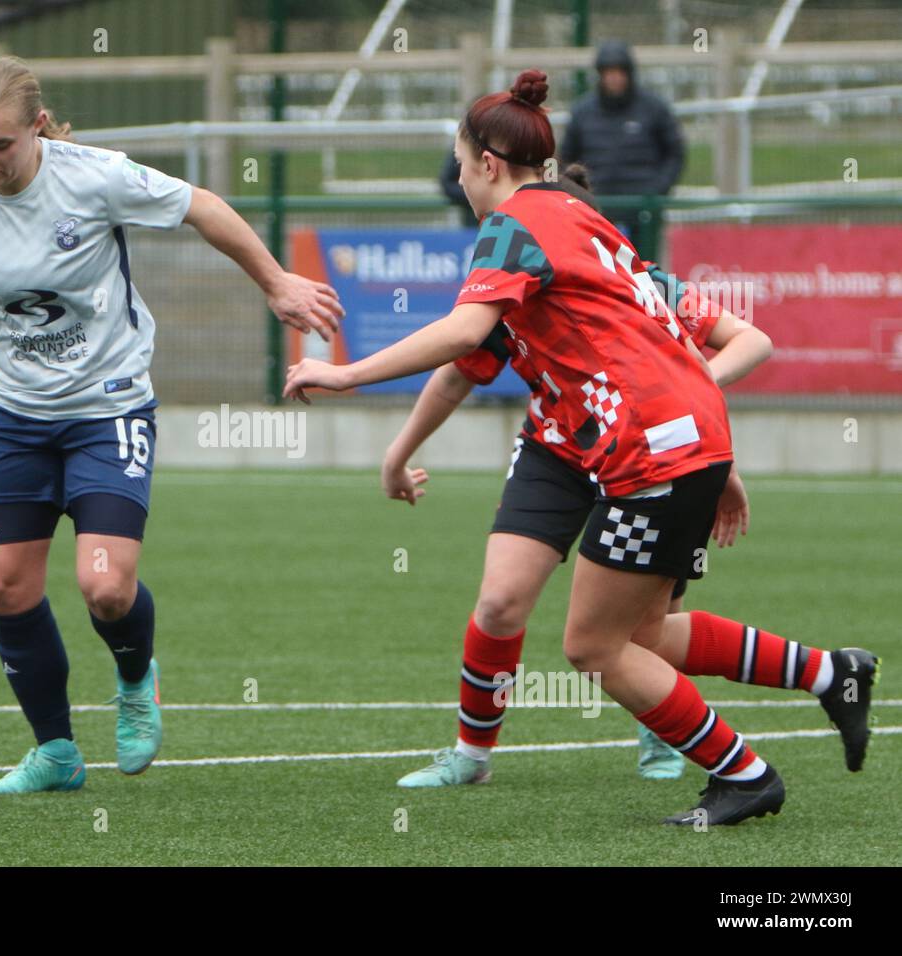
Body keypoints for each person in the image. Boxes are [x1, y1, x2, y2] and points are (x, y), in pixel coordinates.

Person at [285, 70, 877, 825]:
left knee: (595, 646)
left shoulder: (514, 228)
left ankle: (742, 771)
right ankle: (830, 675)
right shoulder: (582, 219)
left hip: (645, 456)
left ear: (488, 165)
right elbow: (612, 349)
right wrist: (711, 446)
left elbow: (467, 334)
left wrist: (345, 373)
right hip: (652, 447)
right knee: (629, 633)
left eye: (462, 167)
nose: (462, 182)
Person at [0, 56, 343, 794]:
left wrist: (277, 283)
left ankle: (136, 677)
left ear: (38, 128)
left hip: (108, 408)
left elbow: (203, 205)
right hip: (15, 417)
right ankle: (55, 754)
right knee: (6, 588)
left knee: (104, 587)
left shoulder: (96, 176)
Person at [383, 163, 868, 785]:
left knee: (635, 636)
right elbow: (456, 370)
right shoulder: (520, 275)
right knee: (503, 602)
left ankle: (705, 728)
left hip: (648, 455)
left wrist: (716, 457)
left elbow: (730, 352)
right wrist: (399, 452)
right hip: (559, 452)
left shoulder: (636, 283)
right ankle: (472, 756)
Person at [561, 40, 685, 256]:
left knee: (645, 272)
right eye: (609, 72)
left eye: (619, 72)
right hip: (596, 213)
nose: (614, 78)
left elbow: (675, 153)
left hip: (642, 216)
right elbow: (567, 158)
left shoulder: (653, 109)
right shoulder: (582, 113)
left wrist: (657, 191)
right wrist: (580, 195)